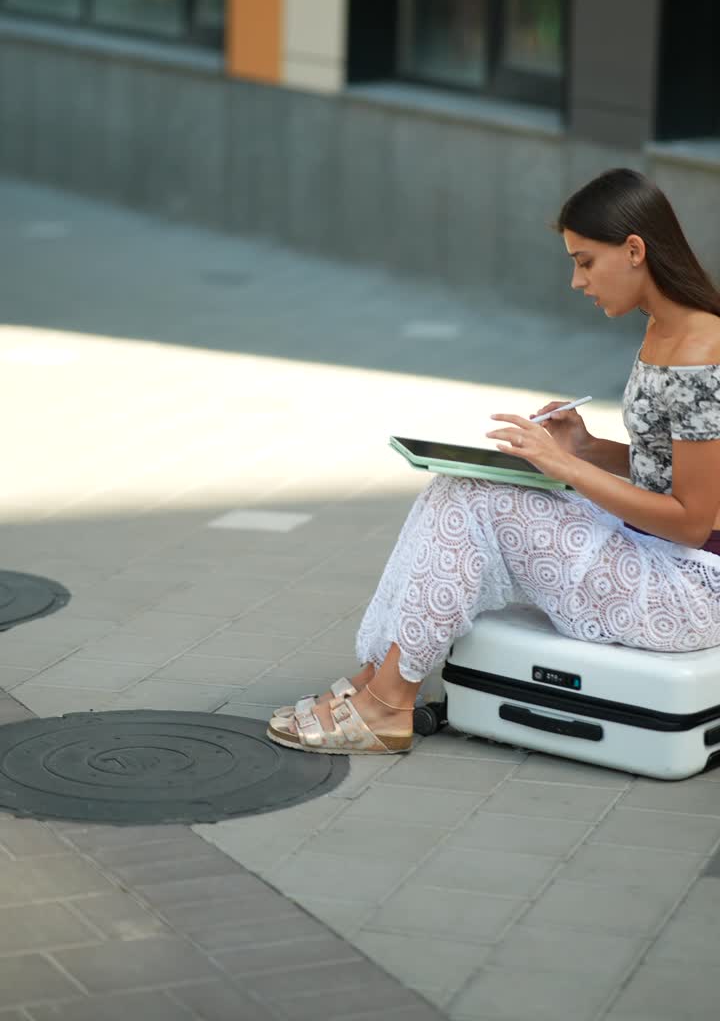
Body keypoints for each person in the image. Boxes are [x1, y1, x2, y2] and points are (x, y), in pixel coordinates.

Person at [267, 168, 720, 755]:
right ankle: (377, 685)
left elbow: (691, 518)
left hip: (689, 590)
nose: (577, 281)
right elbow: (672, 470)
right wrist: (585, 448)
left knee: (472, 497)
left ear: (634, 250)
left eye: (585, 261)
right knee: (461, 487)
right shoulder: (667, 329)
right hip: (658, 556)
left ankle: (384, 701)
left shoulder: (700, 353)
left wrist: (568, 470)